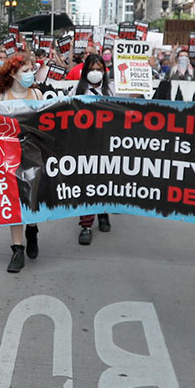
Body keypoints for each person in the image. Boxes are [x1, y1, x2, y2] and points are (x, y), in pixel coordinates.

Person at [0, 53, 42, 273]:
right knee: (14, 201)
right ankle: (17, 249)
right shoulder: (2, 96)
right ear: (13, 73)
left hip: (34, 154)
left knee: (31, 199)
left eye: (32, 70)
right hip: (8, 154)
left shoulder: (37, 93)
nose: (30, 74)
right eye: (25, 71)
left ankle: (32, 230)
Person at [70, 54, 113, 245]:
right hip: (83, 144)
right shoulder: (76, 90)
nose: (96, 73)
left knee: (104, 180)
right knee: (87, 182)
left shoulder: (111, 90)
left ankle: (103, 211)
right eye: (92, 69)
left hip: (106, 143)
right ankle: (86, 225)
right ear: (85, 71)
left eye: (99, 69)